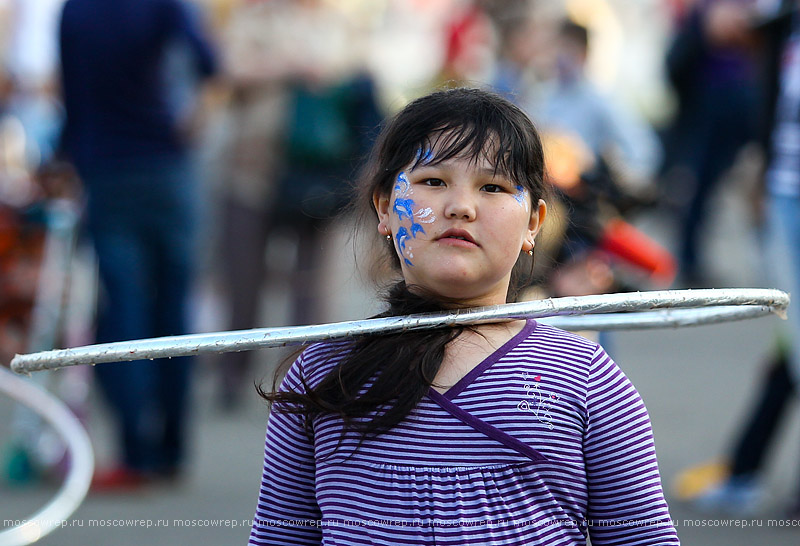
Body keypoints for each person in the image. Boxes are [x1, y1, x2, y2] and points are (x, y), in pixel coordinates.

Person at [247, 88, 680, 545]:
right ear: (384, 207)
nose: (461, 206)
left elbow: (642, 537)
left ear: (534, 223)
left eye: (493, 188)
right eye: (433, 181)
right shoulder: (321, 373)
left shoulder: (585, 379)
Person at [58, 0, 217, 488]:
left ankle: (136, 452)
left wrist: (64, 160)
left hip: (106, 169)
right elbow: (210, 66)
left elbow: (73, 99)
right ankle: (172, 449)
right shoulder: (167, 4)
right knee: (174, 310)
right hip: (167, 168)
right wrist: (189, 120)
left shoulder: (77, 11)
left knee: (123, 312)